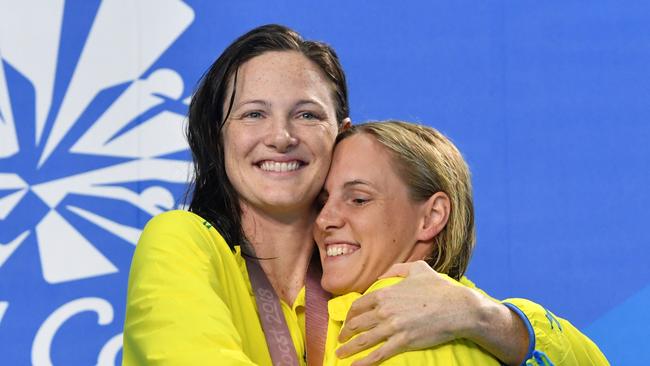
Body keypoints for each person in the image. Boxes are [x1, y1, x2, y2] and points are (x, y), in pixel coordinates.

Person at [122, 24, 607, 366]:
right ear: (217, 135)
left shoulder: (376, 275)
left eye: (307, 115)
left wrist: (483, 317)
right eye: (253, 114)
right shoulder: (182, 243)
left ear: (341, 133)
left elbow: (588, 360)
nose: (281, 136)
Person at [314, 120, 608, 365]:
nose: (323, 219)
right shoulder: (475, 321)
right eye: (322, 201)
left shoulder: (388, 340)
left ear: (431, 217)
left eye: (359, 200)